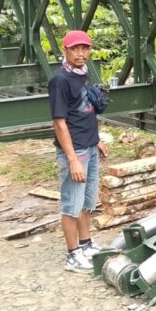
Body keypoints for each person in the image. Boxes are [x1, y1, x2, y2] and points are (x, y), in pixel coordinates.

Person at [48, 30, 109, 273]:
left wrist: (97, 140)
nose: (81, 53)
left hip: (89, 146)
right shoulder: (60, 80)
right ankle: (73, 255)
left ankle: (86, 244)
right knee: (72, 204)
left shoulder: (83, 74)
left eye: (85, 48)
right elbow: (60, 122)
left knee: (86, 202)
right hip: (76, 151)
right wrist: (72, 159)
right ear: (66, 50)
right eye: (75, 48)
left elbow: (85, 111)